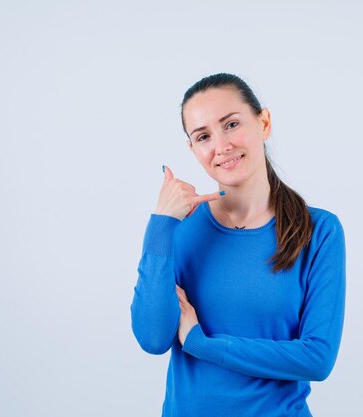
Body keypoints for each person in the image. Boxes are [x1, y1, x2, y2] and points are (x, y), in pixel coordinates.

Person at [130, 73, 346, 417]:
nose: (221, 146)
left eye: (231, 124)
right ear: (193, 149)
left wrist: (203, 345)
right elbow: (153, 339)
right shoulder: (180, 229)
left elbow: (317, 359)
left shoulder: (319, 231)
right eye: (203, 136)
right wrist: (160, 225)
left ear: (264, 122)